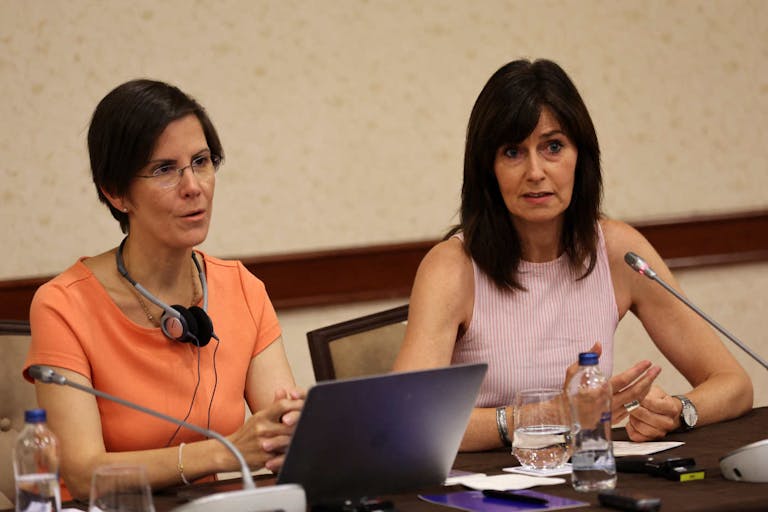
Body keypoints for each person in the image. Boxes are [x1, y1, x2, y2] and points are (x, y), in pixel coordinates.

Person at [393, 59, 753, 452]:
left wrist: (678, 411)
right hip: (487, 491)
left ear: (580, 156)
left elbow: (733, 383)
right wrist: (545, 416)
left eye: (553, 147)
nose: (535, 171)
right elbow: (408, 422)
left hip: (587, 476)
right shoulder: (452, 267)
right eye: (513, 151)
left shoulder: (618, 251)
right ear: (487, 169)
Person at [23, 79, 304, 499]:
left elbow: (279, 432)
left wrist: (293, 431)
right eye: (164, 169)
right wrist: (223, 454)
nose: (194, 186)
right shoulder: (63, 305)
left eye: (202, 161)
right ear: (116, 193)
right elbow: (83, 474)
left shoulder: (241, 287)